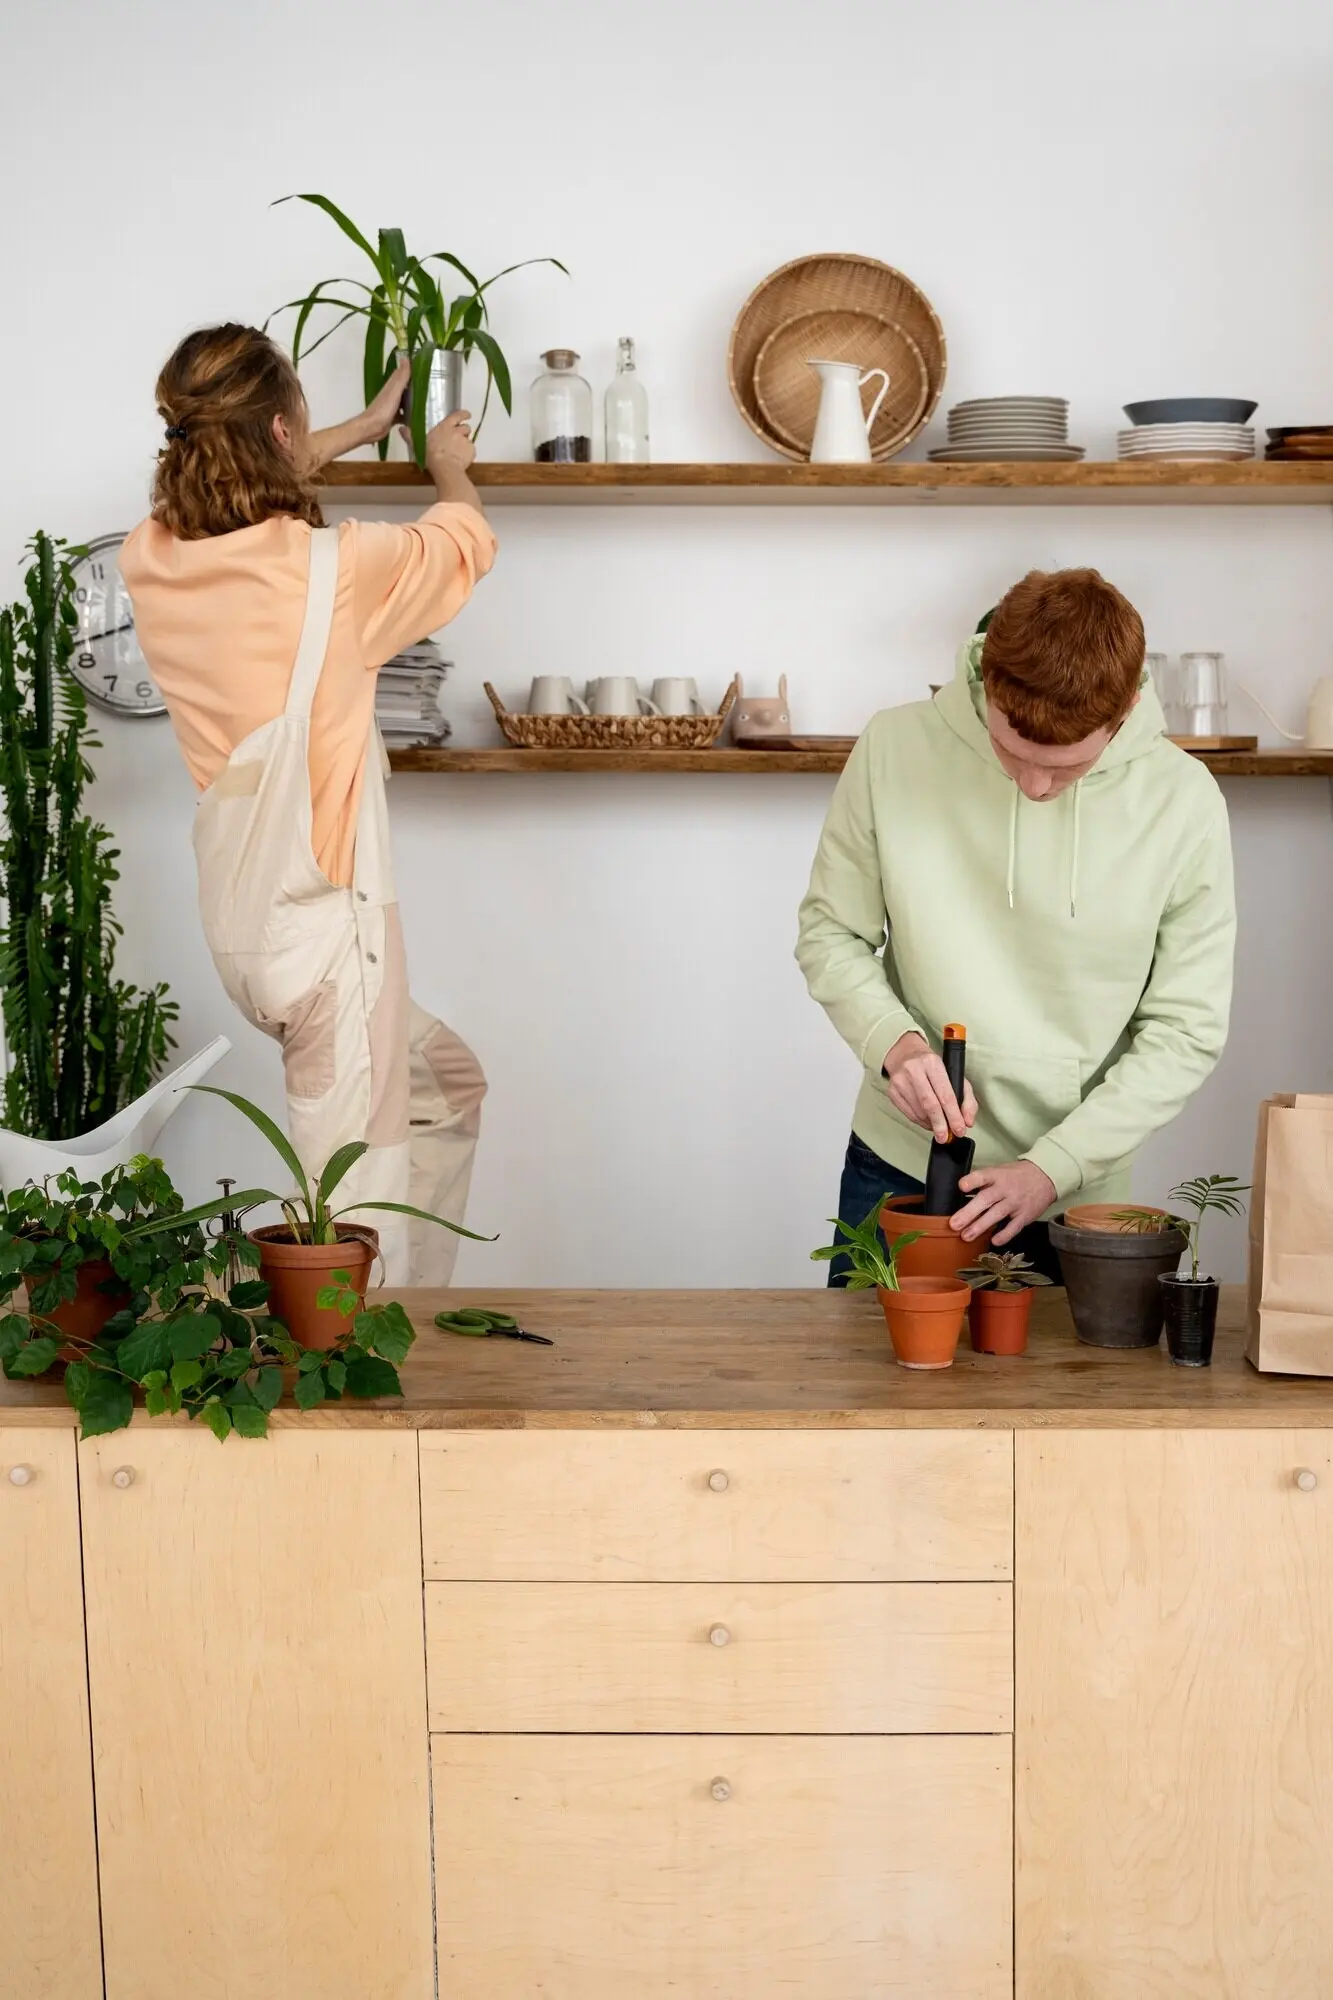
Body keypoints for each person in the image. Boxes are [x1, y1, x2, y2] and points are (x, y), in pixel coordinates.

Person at [121, 324, 496, 1286]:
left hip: (249, 933)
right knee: (355, 1209)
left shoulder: (152, 560)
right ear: (284, 430)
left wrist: (363, 425)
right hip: (335, 939)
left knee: (445, 1086)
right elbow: (466, 541)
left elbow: (239, 472)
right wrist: (447, 465)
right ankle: (358, 1388)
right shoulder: (339, 570)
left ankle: (400, 1335)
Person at [796, 567, 1236, 1281]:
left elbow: (1185, 1029)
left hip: (1078, 1187)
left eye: (1066, 768)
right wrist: (896, 1046)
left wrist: (1052, 1168)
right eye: (1010, 753)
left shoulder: (1184, 803)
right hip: (903, 1162)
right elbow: (829, 931)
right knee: (869, 1388)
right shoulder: (892, 748)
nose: (1034, 787)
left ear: (1122, 711)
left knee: (1066, 1394)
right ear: (987, 683)